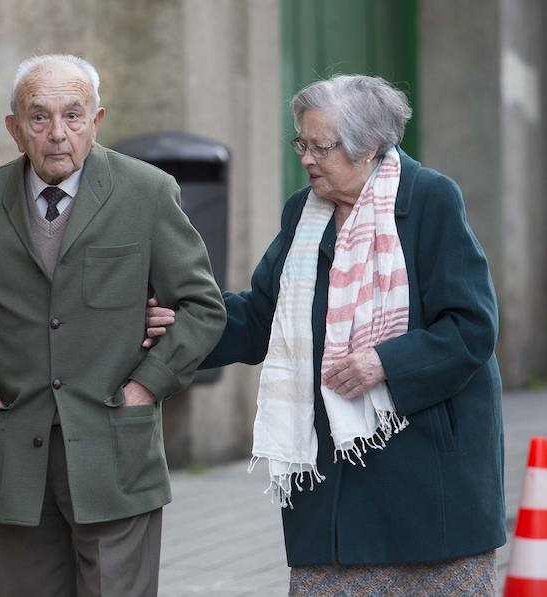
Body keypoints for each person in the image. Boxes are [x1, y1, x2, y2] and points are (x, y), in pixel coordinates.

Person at [146, 74, 504, 595]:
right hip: (335, 481)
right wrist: (185, 325)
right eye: (302, 143)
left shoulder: (430, 200)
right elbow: (263, 315)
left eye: (322, 146)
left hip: (429, 480)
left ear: (370, 147)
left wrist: (385, 362)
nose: (307, 158)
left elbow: (472, 328)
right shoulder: (304, 212)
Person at [0, 54, 225, 597]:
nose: (56, 134)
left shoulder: (148, 192)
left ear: (97, 122)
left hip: (115, 443)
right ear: (14, 128)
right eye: (38, 117)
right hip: (16, 454)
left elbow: (202, 307)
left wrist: (147, 387)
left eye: (73, 116)